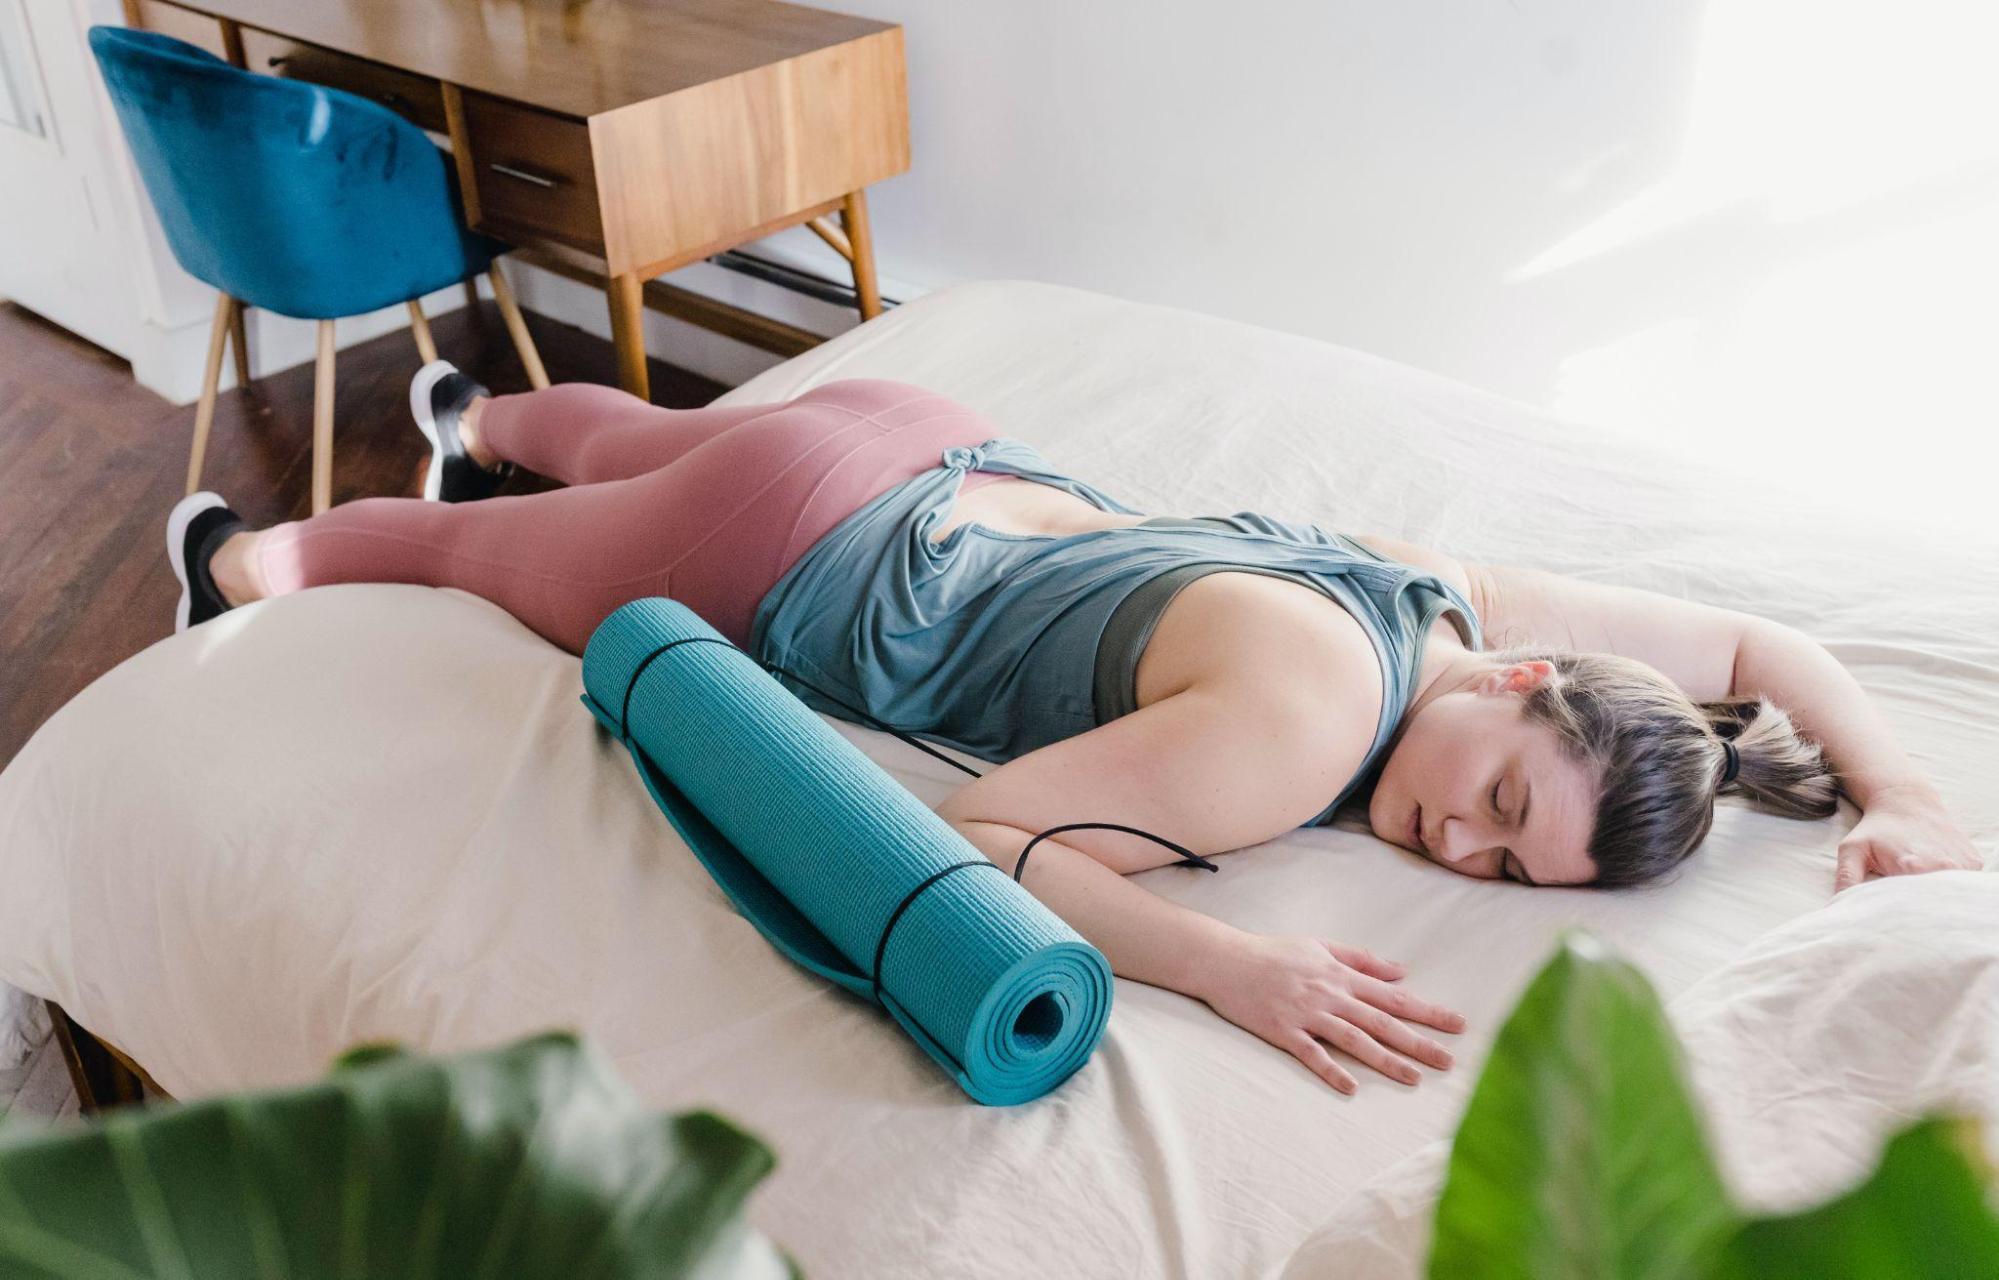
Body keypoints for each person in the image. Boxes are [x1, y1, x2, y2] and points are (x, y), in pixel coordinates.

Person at [165, 367, 1985, 1095]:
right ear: (1513, 695)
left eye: (1514, 866)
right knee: (455, 556)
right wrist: (1220, 964)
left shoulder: (1448, 600)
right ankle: (238, 558)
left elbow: (1762, 640)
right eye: (1497, 804)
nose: (1465, 849)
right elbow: (991, 838)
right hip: (800, 556)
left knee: (627, 431)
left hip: (925, 444)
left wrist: (1893, 785)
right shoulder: (1295, 731)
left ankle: (477, 401)